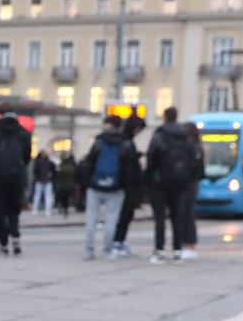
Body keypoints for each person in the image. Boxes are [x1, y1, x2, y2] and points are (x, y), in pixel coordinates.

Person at [78, 114, 139, 259]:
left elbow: (89, 162)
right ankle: (107, 249)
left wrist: (87, 182)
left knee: (91, 217)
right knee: (111, 219)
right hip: (116, 187)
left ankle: (89, 249)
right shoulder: (125, 143)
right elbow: (130, 168)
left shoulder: (99, 141)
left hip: (95, 185)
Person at [146, 106, 202, 260]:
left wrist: (149, 178)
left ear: (164, 117)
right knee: (176, 217)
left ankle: (160, 250)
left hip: (160, 183)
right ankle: (177, 250)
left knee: (160, 219)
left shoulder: (159, 135)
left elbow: (152, 158)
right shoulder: (186, 137)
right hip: (180, 183)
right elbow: (192, 161)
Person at [0, 111, 31, 255]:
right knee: (14, 209)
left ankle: (4, 245)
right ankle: (15, 237)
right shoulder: (22, 131)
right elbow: (27, 157)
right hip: (16, 177)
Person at [111, 114, 151, 253]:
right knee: (124, 214)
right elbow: (128, 164)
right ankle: (118, 241)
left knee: (123, 215)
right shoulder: (127, 143)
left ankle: (119, 241)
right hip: (127, 185)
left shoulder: (122, 141)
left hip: (123, 184)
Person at [30, 150, 55, 214]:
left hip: (41, 180)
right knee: (46, 196)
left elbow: (35, 171)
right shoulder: (49, 162)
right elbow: (54, 172)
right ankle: (46, 210)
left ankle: (37, 210)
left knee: (39, 195)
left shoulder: (39, 162)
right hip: (45, 180)